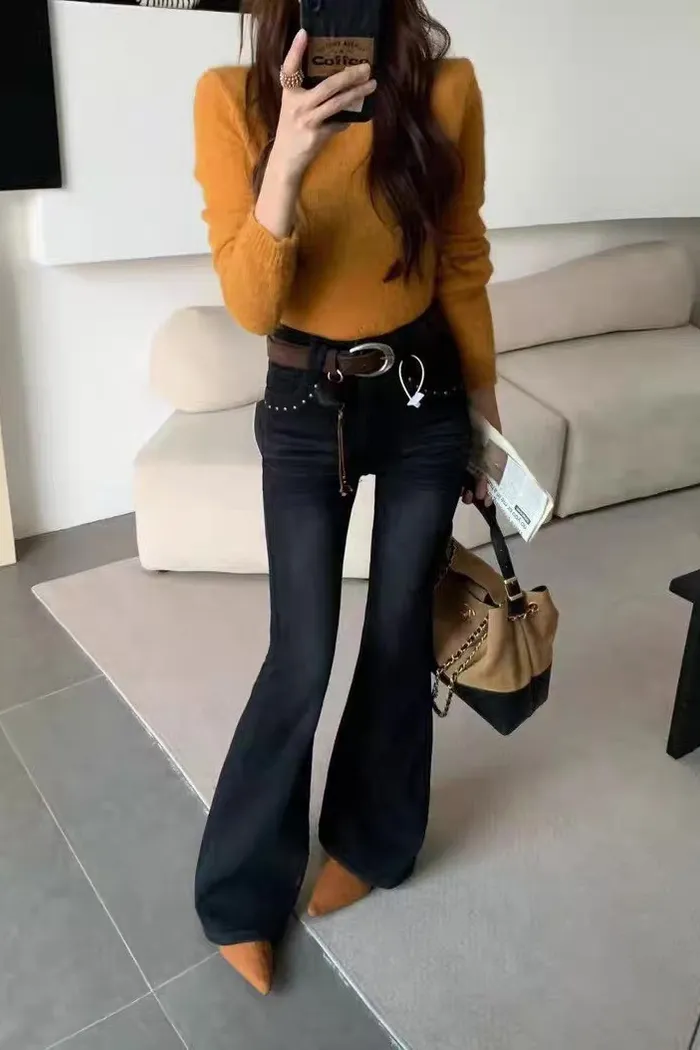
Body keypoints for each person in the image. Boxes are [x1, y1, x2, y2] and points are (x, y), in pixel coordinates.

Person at [192, 0, 501, 995]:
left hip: (423, 397)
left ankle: (370, 840)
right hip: (300, 403)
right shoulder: (230, 101)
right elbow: (253, 304)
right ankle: (242, 892)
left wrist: (486, 415)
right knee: (302, 652)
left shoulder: (446, 91)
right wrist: (286, 159)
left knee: (399, 632)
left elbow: (461, 257)